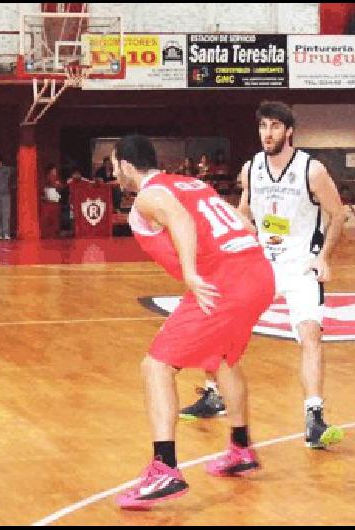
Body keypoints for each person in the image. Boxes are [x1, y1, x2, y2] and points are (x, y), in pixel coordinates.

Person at [112, 135, 275, 510]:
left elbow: (181, 220)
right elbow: (244, 225)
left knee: (155, 366)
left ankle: (165, 469)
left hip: (224, 280)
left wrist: (189, 272)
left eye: (115, 165)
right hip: (257, 273)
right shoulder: (193, 183)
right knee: (223, 361)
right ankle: (240, 449)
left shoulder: (149, 195)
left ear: (125, 164)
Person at [181, 102, 346, 451]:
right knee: (221, 322)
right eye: (262, 127)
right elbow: (246, 212)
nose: (267, 134)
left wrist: (323, 258)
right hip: (260, 263)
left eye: (274, 127)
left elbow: (338, 214)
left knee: (310, 335)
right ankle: (214, 395)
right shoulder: (251, 168)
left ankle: (314, 418)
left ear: (289, 131)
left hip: (301, 263)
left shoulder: (311, 170)